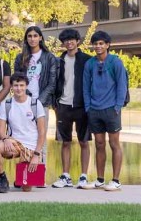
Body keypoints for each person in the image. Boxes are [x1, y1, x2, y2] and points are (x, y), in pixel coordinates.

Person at [83, 30, 128, 191]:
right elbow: (86, 87)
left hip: (111, 110)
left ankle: (115, 180)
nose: (98, 46)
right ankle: (100, 179)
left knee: (114, 144)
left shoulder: (115, 62)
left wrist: (117, 106)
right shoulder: (90, 64)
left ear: (107, 45)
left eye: (101, 43)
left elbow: (122, 85)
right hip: (94, 110)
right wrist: (88, 107)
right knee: (99, 144)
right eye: (95, 43)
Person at [0, 74, 48, 193]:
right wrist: (6, 139)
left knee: (26, 188)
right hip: (14, 143)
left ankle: (19, 179)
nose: (19, 88)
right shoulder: (6, 104)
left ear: (26, 86)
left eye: (21, 85)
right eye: (16, 85)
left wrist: (37, 155)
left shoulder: (36, 104)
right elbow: (1, 131)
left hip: (32, 147)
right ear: (11, 86)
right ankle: (3, 179)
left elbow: (42, 132)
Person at [52, 28, 93, 189]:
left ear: (77, 41)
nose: (69, 42)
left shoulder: (87, 60)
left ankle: (83, 176)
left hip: (82, 106)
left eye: (72, 39)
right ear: (63, 43)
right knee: (65, 142)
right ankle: (66, 175)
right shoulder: (59, 61)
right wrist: (55, 103)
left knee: (84, 141)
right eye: (66, 40)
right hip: (63, 105)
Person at [16, 25, 59, 110]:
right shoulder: (20, 58)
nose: (32, 39)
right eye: (29, 36)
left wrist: (39, 102)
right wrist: (25, 97)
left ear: (40, 38)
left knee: (41, 124)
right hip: (24, 101)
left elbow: (52, 84)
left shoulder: (49, 57)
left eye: (35, 36)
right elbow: (17, 79)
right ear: (26, 39)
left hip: (42, 103)